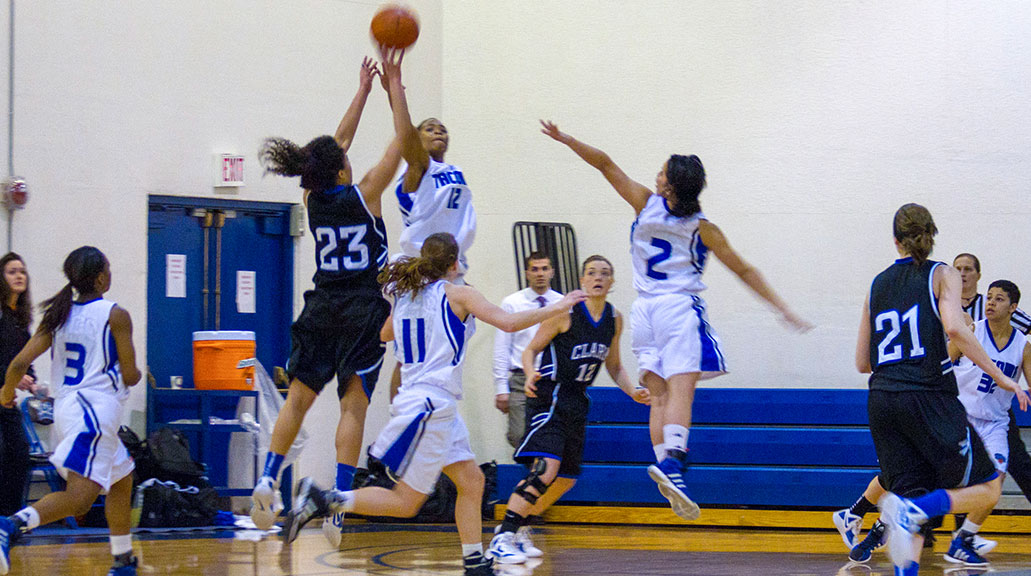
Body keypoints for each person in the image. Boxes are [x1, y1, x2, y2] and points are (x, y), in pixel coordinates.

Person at [539, 120, 810, 520]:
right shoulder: (705, 229)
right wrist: (780, 307)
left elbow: (605, 164)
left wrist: (566, 139)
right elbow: (744, 271)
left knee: (659, 397)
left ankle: (665, 466)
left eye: (663, 171)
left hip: (643, 311)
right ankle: (674, 465)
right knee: (683, 393)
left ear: (669, 186)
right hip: (677, 309)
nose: (657, 173)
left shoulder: (643, 203)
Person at [280, 232, 585, 576]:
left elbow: (385, 334)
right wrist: (559, 306)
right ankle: (323, 499)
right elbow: (509, 322)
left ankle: (474, 562)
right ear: (455, 264)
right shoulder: (459, 295)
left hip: (431, 403)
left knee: (471, 482)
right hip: (430, 404)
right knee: (406, 502)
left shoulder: (408, 297)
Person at [249, 57, 402, 548]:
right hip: (361, 308)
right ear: (342, 169)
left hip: (320, 305)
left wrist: (360, 91)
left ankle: (268, 479)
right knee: (352, 406)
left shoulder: (315, 200)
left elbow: (336, 146)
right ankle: (337, 501)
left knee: (297, 398)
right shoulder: (367, 194)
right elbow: (399, 144)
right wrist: (392, 89)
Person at [855, 204, 1029, 576]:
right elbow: (954, 328)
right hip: (927, 396)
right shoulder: (941, 273)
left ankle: (909, 533)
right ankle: (914, 510)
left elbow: (862, 362)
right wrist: (1001, 376)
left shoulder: (876, 284)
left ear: (895, 240)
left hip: (881, 398)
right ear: (932, 234)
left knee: (911, 497)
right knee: (988, 487)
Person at [488, 255, 649, 564]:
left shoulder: (614, 319)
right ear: (582, 281)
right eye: (591, 272)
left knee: (566, 478)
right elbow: (531, 349)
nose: (598, 277)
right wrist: (529, 371)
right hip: (549, 395)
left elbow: (613, 365)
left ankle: (521, 528)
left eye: (605, 272)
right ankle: (503, 536)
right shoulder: (565, 312)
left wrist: (632, 392)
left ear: (612, 282)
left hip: (577, 400)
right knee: (545, 469)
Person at [0, 246, 142, 576]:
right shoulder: (115, 314)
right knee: (79, 499)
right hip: (94, 413)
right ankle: (10, 525)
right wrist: (128, 371)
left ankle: (122, 561)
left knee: (122, 480)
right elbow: (132, 375)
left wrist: (6, 394)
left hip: (68, 412)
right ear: (102, 277)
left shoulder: (58, 316)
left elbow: (19, 363)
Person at [378, 46, 477, 400]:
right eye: (429, 129)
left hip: (452, 270)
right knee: (408, 359)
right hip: (419, 272)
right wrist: (395, 88)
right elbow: (406, 136)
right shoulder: (418, 171)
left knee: (448, 354)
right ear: (415, 142)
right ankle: (398, 420)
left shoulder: (453, 170)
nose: (439, 131)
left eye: (443, 129)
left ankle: (436, 423)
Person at [943, 279, 1030, 565]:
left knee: (995, 483)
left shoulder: (1022, 346)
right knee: (948, 480)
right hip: (961, 418)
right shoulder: (971, 332)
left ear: (1013, 307)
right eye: (989, 297)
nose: (991, 302)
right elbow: (941, 366)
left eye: (1000, 299)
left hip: (995, 423)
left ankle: (964, 538)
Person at [493, 251, 563, 449]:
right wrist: (500, 388)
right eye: (534, 269)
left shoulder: (563, 303)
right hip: (520, 378)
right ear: (527, 273)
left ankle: (541, 476)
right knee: (519, 434)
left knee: (550, 433)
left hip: (551, 379)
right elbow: (501, 347)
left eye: (544, 269)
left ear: (552, 272)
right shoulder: (512, 303)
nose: (539, 273)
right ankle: (530, 474)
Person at [0, 254, 36, 518]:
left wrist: (31, 379)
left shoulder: (20, 319)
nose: (19, 276)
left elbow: (23, 358)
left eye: (22, 271)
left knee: (20, 454)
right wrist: (11, 377)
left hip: (7, 399)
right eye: (12, 271)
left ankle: (9, 519)